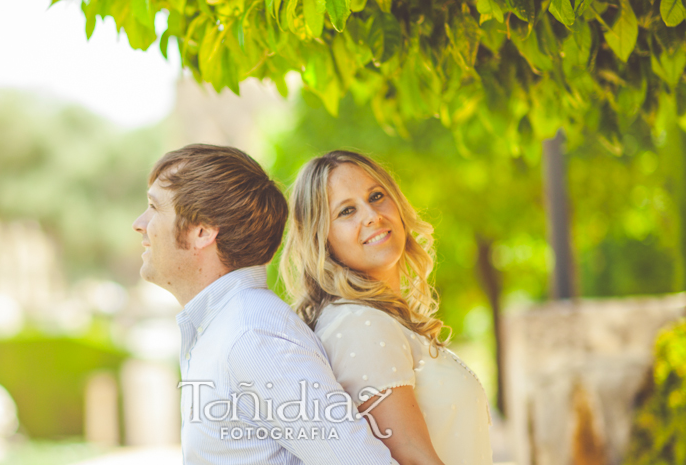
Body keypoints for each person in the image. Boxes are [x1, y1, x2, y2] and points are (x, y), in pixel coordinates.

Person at [132, 144, 399, 465]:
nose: (139, 223)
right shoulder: (228, 329)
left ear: (202, 230)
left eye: (153, 207)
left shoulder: (252, 334)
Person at [283, 150, 493, 465]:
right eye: (347, 211)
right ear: (321, 239)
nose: (372, 215)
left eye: (377, 196)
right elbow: (412, 457)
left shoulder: (378, 318)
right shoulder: (359, 323)